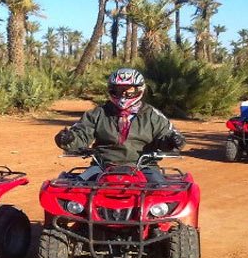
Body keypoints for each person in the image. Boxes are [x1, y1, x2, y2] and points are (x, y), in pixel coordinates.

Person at [54, 67, 185, 183]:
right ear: (111, 90)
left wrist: (173, 141)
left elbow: (167, 135)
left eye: (128, 90)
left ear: (139, 90)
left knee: (162, 193)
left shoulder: (152, 115)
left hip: (144, 166)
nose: (123, 95)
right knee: (76, 190)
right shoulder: (98, 113)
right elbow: (81, 133)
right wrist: (69, 138)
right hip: (102, 166)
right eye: (118, 90)